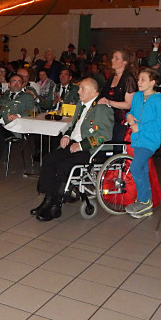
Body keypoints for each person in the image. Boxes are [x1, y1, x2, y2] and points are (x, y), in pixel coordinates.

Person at [31, 78, 113, 221]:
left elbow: (104, 135)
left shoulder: (102, 108)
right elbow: (74, 126)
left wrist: (81, 145)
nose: (79, 91)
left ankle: (56, 205)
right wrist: (67, 136)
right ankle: (48, 200)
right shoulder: (80, 105)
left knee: (64, 166)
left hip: (90, 149)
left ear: (94, 92)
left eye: (82, 89)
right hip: (74, 144)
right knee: (49, 160)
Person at [125, 70, 161, 218]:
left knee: (136, 167)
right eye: (138, 79)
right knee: (142, 169)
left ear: (152, 82)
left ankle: (144, 201)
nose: (139, 82)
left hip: (150, 140)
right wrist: (129, 116)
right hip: (137, 139)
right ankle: (145, 202)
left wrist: (141, 127)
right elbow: (131, 111)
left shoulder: (158, 99)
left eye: (143, 79)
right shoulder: (137, 96)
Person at [98, 49, 137, 142]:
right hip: (109, 118)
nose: (112, 60)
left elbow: (128, 104)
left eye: (116, 58)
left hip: (122, 121)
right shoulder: (112, 76)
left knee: (117, 145)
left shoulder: (128, 78)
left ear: (124, 62)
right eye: (113, 58)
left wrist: (109, 102)